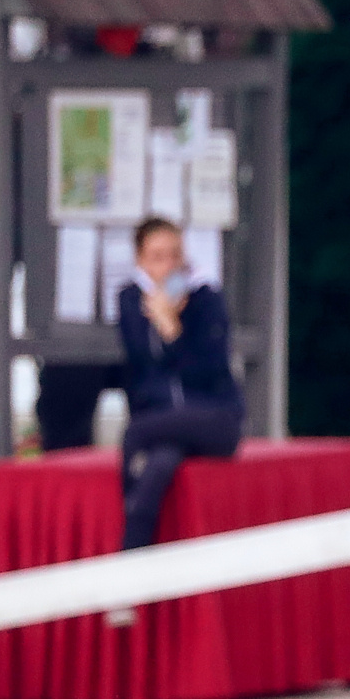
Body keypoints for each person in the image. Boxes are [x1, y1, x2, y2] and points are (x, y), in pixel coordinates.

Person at [115, 217, 244, 549]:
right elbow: (141, 362)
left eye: (175, 255)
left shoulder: (206, 298)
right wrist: (155, 321)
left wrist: (173, 330)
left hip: (214, 418)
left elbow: (208, 369)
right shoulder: (131, 300)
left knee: (135, 433)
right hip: (166, 425)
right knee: (155, 474)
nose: (169, 266)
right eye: (158, 258)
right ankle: (129, 574)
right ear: (141, 263)